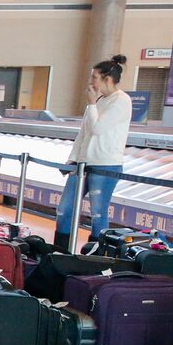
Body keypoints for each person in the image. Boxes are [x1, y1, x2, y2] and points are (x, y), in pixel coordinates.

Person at [55, 54, 132, 249]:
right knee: (64, 210)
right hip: (83, 164)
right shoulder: (99, 101)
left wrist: (90, 104)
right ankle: (60, 252)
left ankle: (95, 255)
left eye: (94, 78)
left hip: (105, 165)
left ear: (107, 79)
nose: (91, 82)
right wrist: (73, 160)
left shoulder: (121, 101)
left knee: (98, 213)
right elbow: (84, 134)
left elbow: (98, 129)